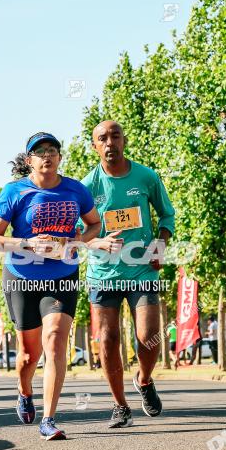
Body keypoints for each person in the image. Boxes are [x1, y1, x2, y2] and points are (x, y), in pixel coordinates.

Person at [0, 131, 107, 440]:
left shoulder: (75, 190)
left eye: (53, 150)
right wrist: (27, 243)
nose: (47, 155)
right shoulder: (14, 191)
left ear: (60, 157)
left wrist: (74, 241)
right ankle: (24, 391)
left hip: (62, 275)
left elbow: (95, 224)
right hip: (22, 278)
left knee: (54, 341)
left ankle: (48, 418)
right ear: (29, 160)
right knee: (29, 356)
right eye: (40, 152)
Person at [81, 120, 175, 428]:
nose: (109, 142)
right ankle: (120, 405)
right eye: (102, 138)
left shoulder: (146, 177)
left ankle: (144, 380)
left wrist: (161, 243)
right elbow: (79, 234)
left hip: (142, 270)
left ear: (124, 140)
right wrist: (99, 241)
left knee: (148, 338)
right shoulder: (87, 187)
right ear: (95, 146)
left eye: (115, 136)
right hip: (103, 273)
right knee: (108, 340)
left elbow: (167, 213)